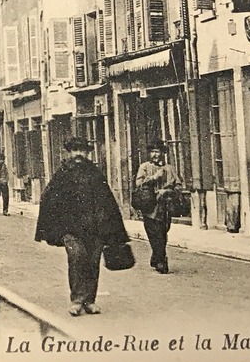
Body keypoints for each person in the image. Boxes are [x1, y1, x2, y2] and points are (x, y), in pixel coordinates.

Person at [35, 135, 130, 315]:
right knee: (77, 257)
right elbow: (48, 198)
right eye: (75, 150)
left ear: (87, 153)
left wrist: (110, 229)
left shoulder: (95, 174)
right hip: (71, 229)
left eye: (82, 150)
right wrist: (57, 226)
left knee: (93, 262)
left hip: (94, 229)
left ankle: (90, 300)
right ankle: (77, 300)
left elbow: (107, 201)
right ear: (70, 152)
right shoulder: (63, 173)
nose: (78, 154)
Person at [134, 141, 181, 273]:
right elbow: (139, 184)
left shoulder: (170, 169)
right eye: (153, 152)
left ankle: (156, 257)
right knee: (153, 233)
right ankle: (161, 261)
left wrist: (167, 191)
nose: (155, 155)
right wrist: (154, 178)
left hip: (165, 207)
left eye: (157, 152)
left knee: (163, 232)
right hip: (149, 206)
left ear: (163, 153)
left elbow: (178, 185)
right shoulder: (144, 167)